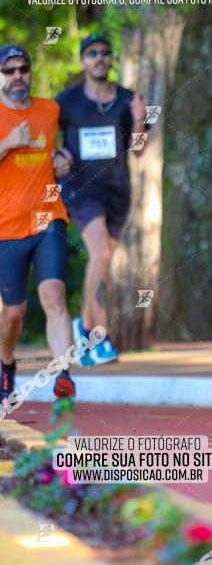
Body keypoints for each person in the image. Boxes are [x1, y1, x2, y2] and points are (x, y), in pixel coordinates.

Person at [55, 33, 147, 365]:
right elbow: (44, 135)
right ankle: (98, 332)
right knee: (101, 252)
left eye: (105, 53)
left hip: (117, 191)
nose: (99, 58)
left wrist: (139, 119)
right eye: (92, 53)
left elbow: (138, 149)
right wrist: (55, 154)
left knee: (103, 260)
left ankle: (84, 326)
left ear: (111, 60)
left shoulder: (126, 99)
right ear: (82, 61)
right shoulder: (65, 101)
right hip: (81, 189)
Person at [0, 44, 76, 405]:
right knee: (13, 312)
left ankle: (64, 375)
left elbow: (55, 149)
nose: (18, 76)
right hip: (6, 228)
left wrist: (61, 159)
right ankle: (6, 362)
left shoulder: (49, 109)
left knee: (54, 295)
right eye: (9, 70)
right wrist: (7, 144)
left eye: (23, 69)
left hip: (48, 217)